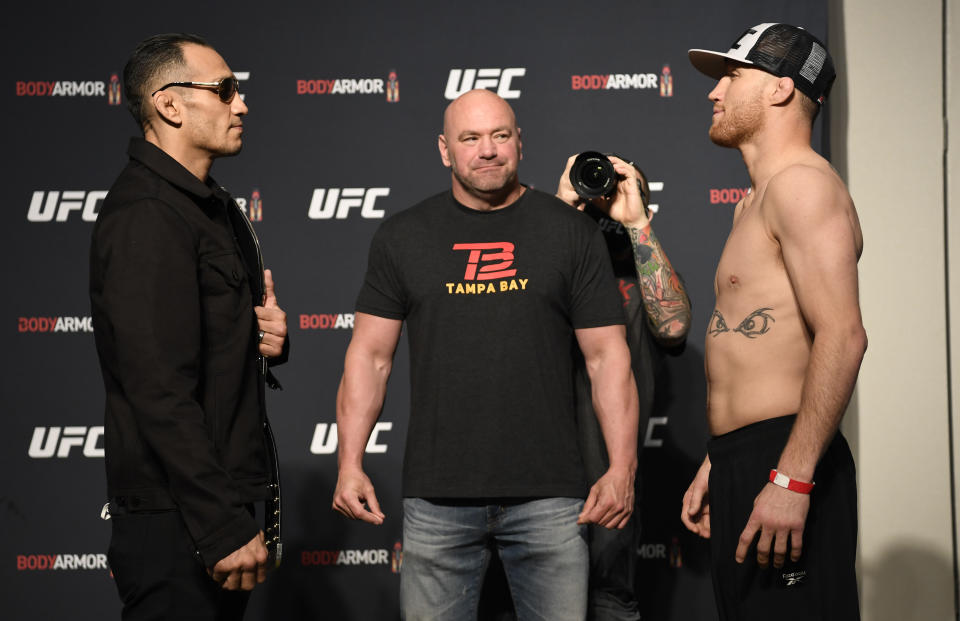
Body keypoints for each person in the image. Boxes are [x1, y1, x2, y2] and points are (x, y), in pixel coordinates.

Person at [332, 88, 640, 621]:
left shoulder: (570, 232)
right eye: (470, 138)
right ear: (444, 150)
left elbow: (607, 358)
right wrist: (349, 460)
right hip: (437, 498)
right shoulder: (403, 236)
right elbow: (370, 357)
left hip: (550, 497)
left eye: (500, 135)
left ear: (520, 141)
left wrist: (622, 467)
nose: (488, 150)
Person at [90, 33, 288, 619]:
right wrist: (221, 524)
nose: (242, 104)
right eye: (225, 90)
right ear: (169, 105)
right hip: (182, 521)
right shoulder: (148, 214)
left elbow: (205, 349)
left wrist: (262, 342)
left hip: (212, 506)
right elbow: (157, 389)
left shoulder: (208, 206)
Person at [680, 23, 866, 620]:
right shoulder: (752, 201)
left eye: (732, 76)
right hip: (747, 460)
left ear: (781, 90)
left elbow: (843, 335)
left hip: (787, 461)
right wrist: (720, 460)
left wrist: (792, 479)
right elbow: (761, 338)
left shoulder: (803, 187)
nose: (715, 93)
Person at [556, 156, 692, 620]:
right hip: (534, 486)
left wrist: (636, 224)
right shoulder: (549, 264)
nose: (604, 199)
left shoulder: (644, 270)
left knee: (610, 601)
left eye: (619, 190)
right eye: (595, 192)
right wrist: (561, 211)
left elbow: (673, 328)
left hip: (611, 489)